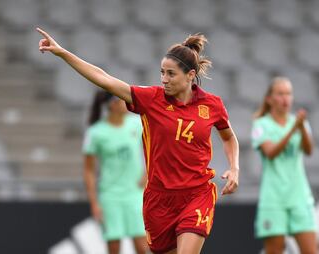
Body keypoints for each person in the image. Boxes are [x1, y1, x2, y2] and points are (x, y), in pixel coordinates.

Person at [37, 27, 239, 254]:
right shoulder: (151, 99)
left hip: (196, 194)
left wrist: (234, 167)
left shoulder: (212, 105)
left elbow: (229, 137)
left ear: (190, 75)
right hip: (158, 200)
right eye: (162, 72)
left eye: (171, 74)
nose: (164, 79)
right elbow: (104, 79)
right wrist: (63, 53)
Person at [251, 77, 317, 254]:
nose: (285, 98)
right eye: (280, 94)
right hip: (274, 199)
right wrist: (294, 129)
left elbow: (309, 150)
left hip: (299, 197)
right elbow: (270, 153)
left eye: (288, 94)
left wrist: (301, 128)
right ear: (269, 98)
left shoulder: (299, 123)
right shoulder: (261, 125)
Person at [82, 91, 148, 254]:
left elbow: (156, 149)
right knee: (113, 247)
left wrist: (148, 173)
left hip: (135, 194)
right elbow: (88, 170)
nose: (127, 104)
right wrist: (94, 203)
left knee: (142, 246)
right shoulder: (95, 133)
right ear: (112, 105)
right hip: (110, 195)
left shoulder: (136, 124)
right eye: (122, 101)